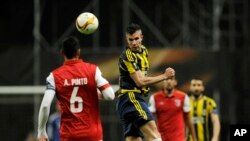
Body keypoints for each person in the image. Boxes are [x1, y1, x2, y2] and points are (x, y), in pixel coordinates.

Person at [37, 36, 115, 141]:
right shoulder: (92, 70)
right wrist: (96, 94)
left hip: (69, 136)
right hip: (93, 135)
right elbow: (110, 95)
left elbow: (45, 105)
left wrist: (41, 131)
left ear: (62, 52)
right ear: (78, 52)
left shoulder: (54, 76)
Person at [116, 23, 175, 141]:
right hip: (131, 98)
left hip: (133, 99)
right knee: (154, 134)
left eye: (136, 39)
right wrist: (164, 76)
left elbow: (142, 76)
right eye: (130, 40)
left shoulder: (144, 51)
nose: (133, 43)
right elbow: (140, 81)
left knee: (134, 139)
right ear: (126, 40)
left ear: (141, 37)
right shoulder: (127, 56)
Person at [148, 77, 197, 141]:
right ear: (163, 82)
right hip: (161, 138)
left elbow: (188, 119)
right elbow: (150, 120)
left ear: (175, 82)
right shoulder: (154, 97)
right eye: (166, 79)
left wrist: (194, 138)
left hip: (179, 138)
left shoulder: (183, 97)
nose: (169, 82)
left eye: (171, 79)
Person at [187, 77, 220, 141]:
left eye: (199, 85)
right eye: (194, 85)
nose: (196, 88)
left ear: (203, 88)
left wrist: (215, 137)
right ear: (190, 87)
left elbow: (216, 121)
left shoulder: (210, 102)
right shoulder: (185, 102)